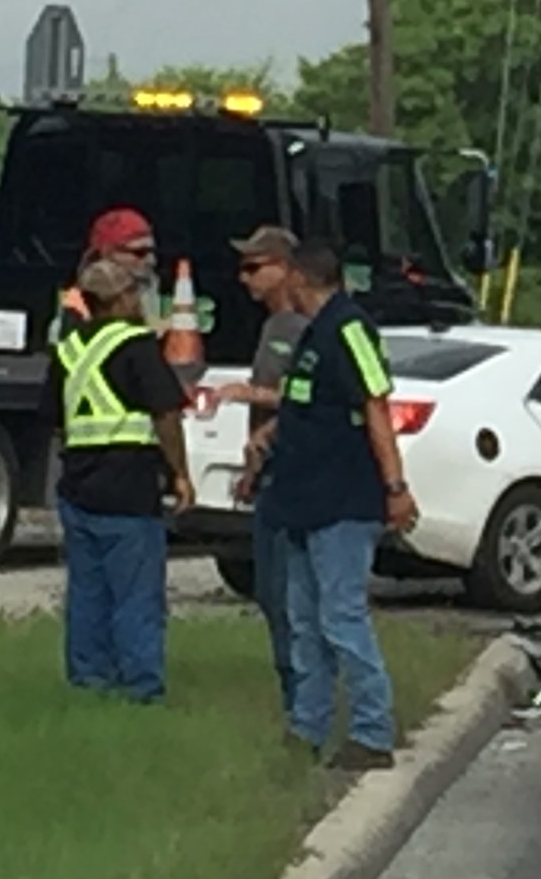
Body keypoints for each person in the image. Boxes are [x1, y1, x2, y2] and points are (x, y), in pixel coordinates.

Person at [262, 242, 418, 768]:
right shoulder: (314, 335)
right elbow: (307, 406)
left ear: (301, 278)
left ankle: (372, 733)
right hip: (304, 499)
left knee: (341, 618)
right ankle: (308, 729)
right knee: (304, 621)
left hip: (343, 500)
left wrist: (396, 488)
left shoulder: (348, 329)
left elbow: (375, 404)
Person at [40, 258, 197, 702]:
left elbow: (53, 420)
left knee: (88, 593)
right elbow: (166, 414)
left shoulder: (68, 349)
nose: (139, 299)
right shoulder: (138, 346)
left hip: (78, 487)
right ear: (120, 299)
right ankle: (141, 687)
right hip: (129, 489)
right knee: (136, 596)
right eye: (134, 291)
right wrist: (180, 474)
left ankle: (89, 681)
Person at [216, 225, 309, 716]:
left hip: (295, 475)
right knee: (270, 595)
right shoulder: (270, 327)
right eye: (242, 267)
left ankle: (305, 701)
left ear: (285, 270)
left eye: (255, 267)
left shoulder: (297, 327)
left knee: (289, 597)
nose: (245, 277)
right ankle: (293, 699)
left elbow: (307, 395)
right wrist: (251, 465)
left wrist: (250, 395)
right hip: (267, 474)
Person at [53, 208, 166, 341]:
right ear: (105, 255)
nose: (151, 261)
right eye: (139, 252)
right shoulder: (81, 302)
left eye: (153, 252)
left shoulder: (149, 289)